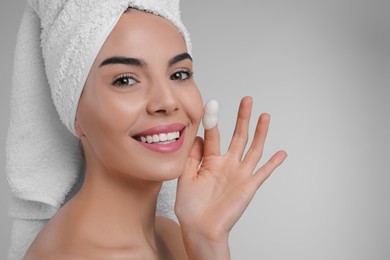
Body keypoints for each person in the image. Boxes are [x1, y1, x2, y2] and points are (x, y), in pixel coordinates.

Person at [8, 1, 287, 259]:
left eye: (179, 74)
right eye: (125, 80)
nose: (166, 102)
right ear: (74, 113)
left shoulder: (173, 235)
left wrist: (208, 241)